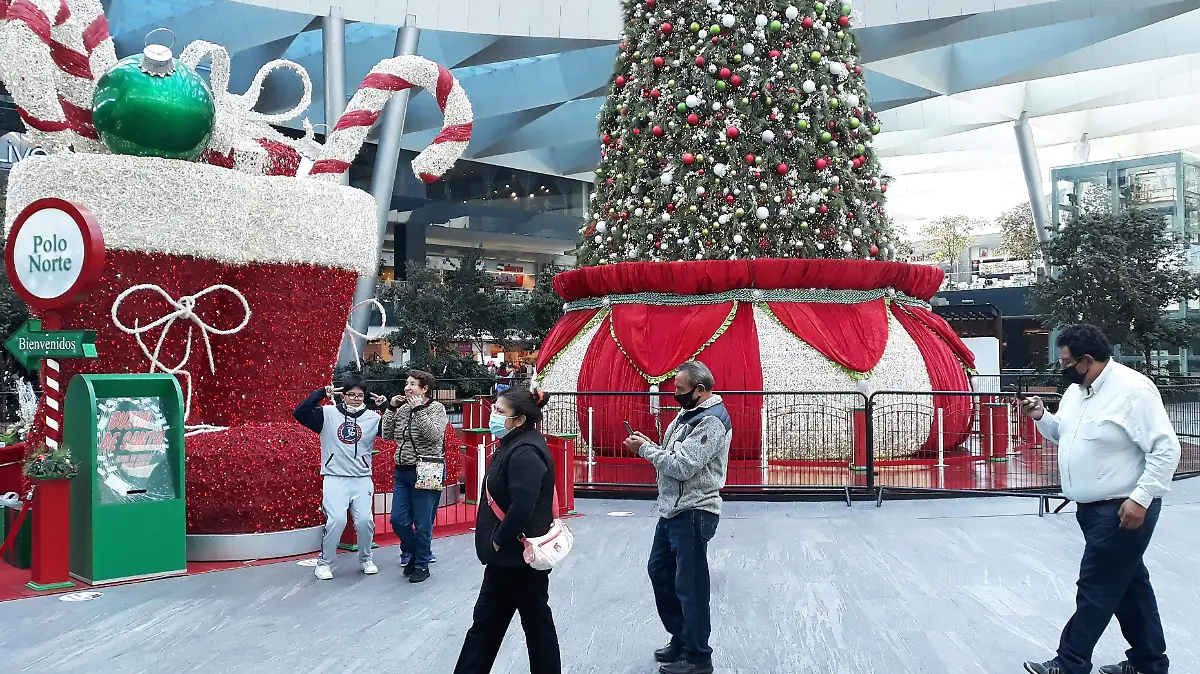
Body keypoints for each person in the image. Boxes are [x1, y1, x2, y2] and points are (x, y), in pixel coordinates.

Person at [1020, 325, 1181, 674]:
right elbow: (1063, 432)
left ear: (1087, 360)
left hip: (1122, 509)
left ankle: (1070, 661)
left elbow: (1166, 449)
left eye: (1065, 361)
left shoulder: (1134, 391)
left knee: (1096, 586)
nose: (1061, 367)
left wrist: (1140, 499)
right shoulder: (1079, 391)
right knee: (1128, 587)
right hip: (1091, 510)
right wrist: (1041, 417)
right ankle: (1149, 663)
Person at [623, 361, 732, 674]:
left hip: (695, 512)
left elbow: (684, 466)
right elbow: (672, 456)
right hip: (671, 509)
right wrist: (650, 445)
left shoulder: (712, 421)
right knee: (660, 572)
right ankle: (682, 638)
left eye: (680, 391)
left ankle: (699, 656)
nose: (675, 395)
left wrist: (646, 450)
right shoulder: (688, 414)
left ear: (699, 390)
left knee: (691, 587)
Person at [454, 389, 560, 674]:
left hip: (517, 557)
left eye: (501, 412)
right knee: (488, 626)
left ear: (520, 419)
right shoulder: (512, 444)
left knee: (534, 628)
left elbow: (522, 507)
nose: (494, 416)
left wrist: (498, 541)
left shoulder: (526, 452)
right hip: (506, 559)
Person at [293, 375, 387, 580]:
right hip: (335, 477)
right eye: (351, 394)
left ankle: (366, 558)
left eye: (359, 395)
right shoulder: (327, 414)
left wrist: (387, 407)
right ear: (343, 396)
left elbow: (392, 430)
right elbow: (299, 412)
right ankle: (324, 562)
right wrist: (320, 394)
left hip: (362, 478)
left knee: (364, 521)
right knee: (336, 520)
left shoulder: (373, 418)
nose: (355, 398)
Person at [382, 369, 448, 583]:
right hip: (403, 470)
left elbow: (434, 434)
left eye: (413, 384)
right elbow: (386, 434)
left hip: (427, 468)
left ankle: (421, 563)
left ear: (425, 388)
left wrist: (418, 409)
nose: (407, 387)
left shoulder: (436, 408)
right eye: (407, 383)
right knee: (398, 519)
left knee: (422, 521)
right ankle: (416, 552)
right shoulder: (402, 410)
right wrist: (391, 408)